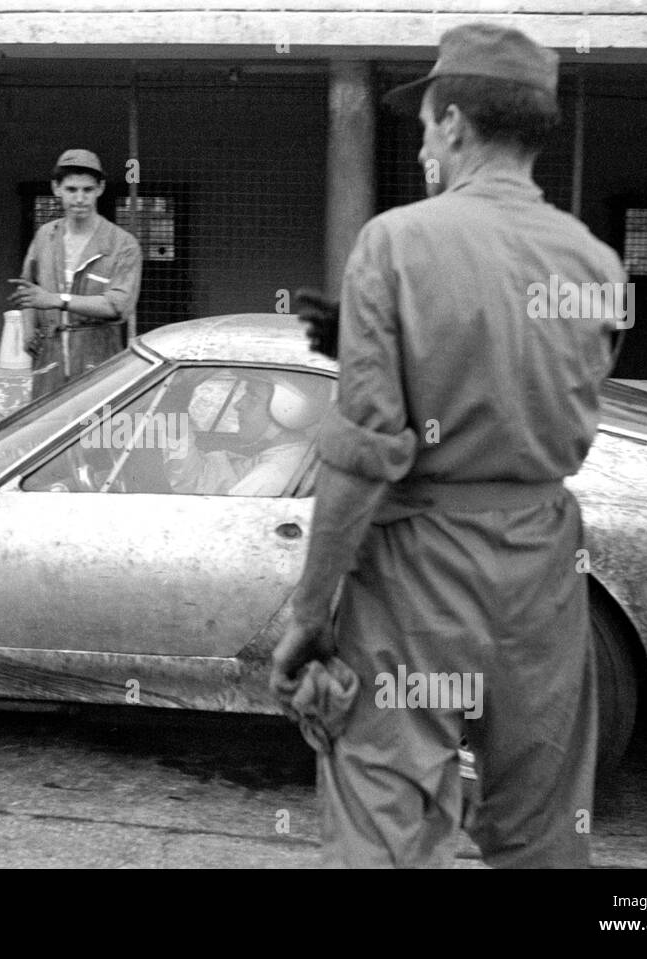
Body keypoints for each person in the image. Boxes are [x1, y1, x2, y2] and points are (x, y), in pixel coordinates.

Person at [269, 23, 627, 868]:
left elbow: (362, 456)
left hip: (417, 573)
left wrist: (309, 614)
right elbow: (538, 388)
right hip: (542, 567)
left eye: (427, 123)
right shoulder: (597, 264)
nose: (424, 142)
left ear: (456, 123)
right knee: (540, 829)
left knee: (382, 824)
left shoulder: (396, 242)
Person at [8, 149, 143, 398]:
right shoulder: (45, 236)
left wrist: (57, 300)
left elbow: (118, 306)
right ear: (56, 188)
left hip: (98, 355)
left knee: (96, 430)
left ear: (100, 188)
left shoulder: (122, 244)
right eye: (71, 189)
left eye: (87, 190)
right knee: (48, 429)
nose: (80, 198)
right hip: (50, 358)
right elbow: (28, 287)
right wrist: (28, 331)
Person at [165, 373, 329, 497]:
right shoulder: (291, 456)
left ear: (288, 410)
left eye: (253, 396)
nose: (238, 404)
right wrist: (175, 413)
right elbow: (198, 481)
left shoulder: (270, 478)